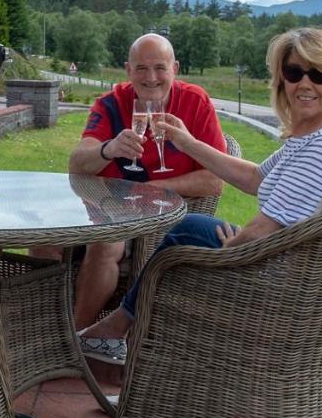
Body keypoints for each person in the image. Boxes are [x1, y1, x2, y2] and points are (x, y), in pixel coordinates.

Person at [77, 26, 322, 364]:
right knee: (192, 228)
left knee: (186, 235)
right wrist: (188, 144)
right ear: (282, 80)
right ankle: (120, 334)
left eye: (318, 74)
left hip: (285, 282)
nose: (304, 83)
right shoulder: (318, 137)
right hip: (294, 266)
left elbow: (266, 228)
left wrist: (234, 247)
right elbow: (256, 178)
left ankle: (120, 337)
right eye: (294, 72)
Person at [63, 33, 226, 333]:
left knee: (104, 243)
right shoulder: (111, 104)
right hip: (108, 208)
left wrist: (152, 188)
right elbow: (77, 164)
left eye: (160, 67)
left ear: (174, 68)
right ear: (128, 70)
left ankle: (77, 336)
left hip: (163, 215)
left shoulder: (195, 102)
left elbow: (215, 180)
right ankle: (45, 322)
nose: (151, 78)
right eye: (141, 68)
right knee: (44, 243)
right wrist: (107, 149)